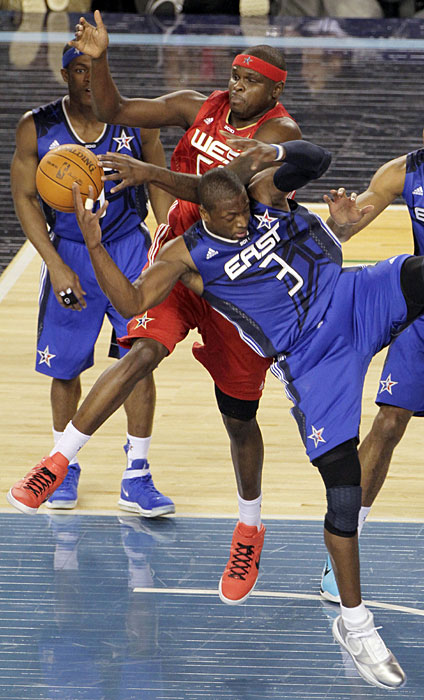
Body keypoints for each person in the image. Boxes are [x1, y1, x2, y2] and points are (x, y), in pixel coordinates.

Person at [25, 134, 419, 689]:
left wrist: (265, 158)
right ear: (206, 214)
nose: (243, 222)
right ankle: (356, 625)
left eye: (243, 211)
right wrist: (93, 243)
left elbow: (316, 159)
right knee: (342, 489)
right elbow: (131, 302)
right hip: (313, 360)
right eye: (231, 217)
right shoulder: (187, 256)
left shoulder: (262, 200)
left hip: (356, 296)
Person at [60, 10, 300, 603]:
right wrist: (101, 60)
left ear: (274, 91)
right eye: (236, 76)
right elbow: (116, 109)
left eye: (251, 82)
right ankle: (60, 460)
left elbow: (221, 192)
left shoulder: (279, 135)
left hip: (238, 282)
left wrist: (149, 172)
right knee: (140, 351)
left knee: (238, 418)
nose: (237, 87)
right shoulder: (201, 105)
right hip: (180, 260)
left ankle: (249, 526)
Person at [10, 45, 175, 516]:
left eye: (94, 70)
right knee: (65, 369)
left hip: (128, 250)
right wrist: (55, 264)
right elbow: (24, 198)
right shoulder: (37, 126)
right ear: (64, 74)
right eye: (79, 70)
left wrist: (169, 247)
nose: (87, 78)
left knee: (138, 360)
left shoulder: (135, 120)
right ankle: (65, 468)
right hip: (70, 253)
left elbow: (159, 182)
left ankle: (137, 473)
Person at [319, 145, 424, 602]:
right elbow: (344, 229)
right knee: (388, 423)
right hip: (421, 313)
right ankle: (343, 543)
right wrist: (339, 223)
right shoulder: (402, 172)